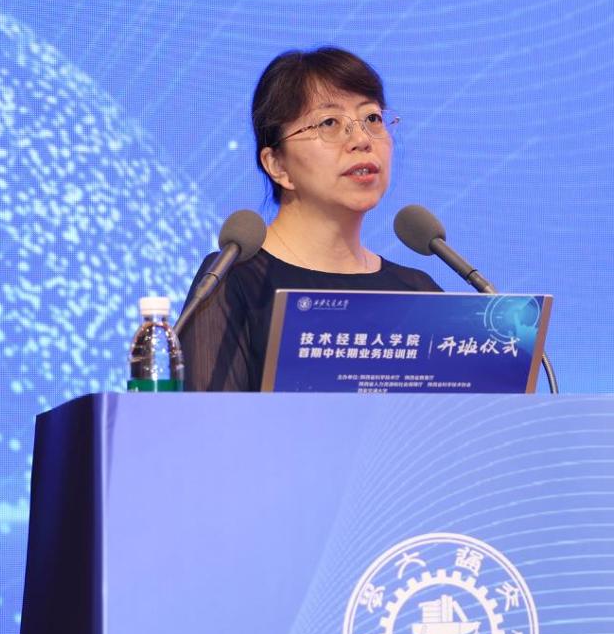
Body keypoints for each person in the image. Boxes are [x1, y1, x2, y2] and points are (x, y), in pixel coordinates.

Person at [180, 47, 441, 391]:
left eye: (372, 119)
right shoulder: (232, 282)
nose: (362, 140)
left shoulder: (417, 292)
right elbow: (207, 421)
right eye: (329, 123)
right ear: (277, 165)